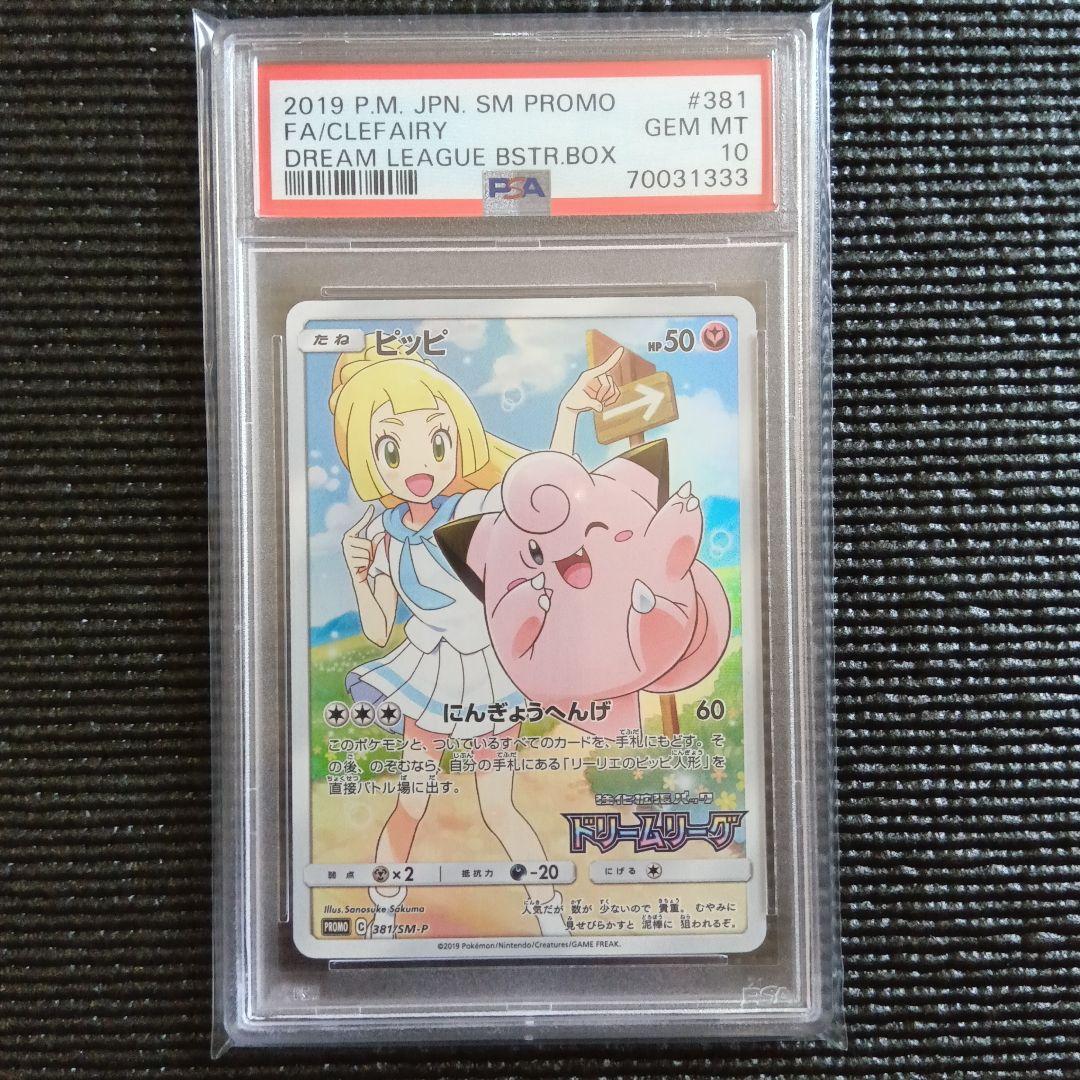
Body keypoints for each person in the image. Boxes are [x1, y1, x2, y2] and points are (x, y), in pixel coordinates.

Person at [329, 332, 620, 936]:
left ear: (457, 439)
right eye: (391, 449)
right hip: (429, 675)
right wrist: (359, 575)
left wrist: (568, 412)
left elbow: (547, 497)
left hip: (487, 676)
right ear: (367, 457)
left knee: (498, 805)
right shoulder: (382, 535)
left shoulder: (477, 508)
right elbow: (379, 630)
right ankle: (383, 917)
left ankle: (550, 917)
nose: (418, 467)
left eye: (436, 442)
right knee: (411, 800)